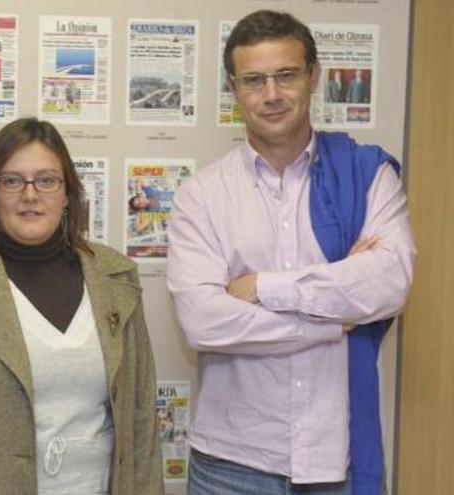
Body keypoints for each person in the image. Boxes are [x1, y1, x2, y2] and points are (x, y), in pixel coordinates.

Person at [167, 11, 415, 495]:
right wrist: (330, 316)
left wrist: (259, 288)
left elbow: (390, 283)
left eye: (286, 75)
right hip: (229, 463)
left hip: (335, 459)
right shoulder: (203, 195)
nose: (272, 94)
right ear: (233, 89)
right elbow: (202, 321)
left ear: (314, 76)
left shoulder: (368, 178)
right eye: (254, 80)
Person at [0, 117, 162, 495]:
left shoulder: (117, 278)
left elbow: (140, 421)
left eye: (46, 180)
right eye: (11, 181)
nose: (30, 194)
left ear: (68, 194)